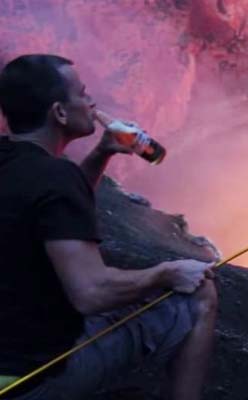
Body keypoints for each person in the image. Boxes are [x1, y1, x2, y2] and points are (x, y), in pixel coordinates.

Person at [0, 54, 218, 400]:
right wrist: (165, 273)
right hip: (29, 380)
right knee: (198, 294)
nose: (91, 102)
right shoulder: (57, 177)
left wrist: (102, 153)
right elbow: (91, 293)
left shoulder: (18, 164)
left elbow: (51, 210)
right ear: (59, 112)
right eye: (83, 94)